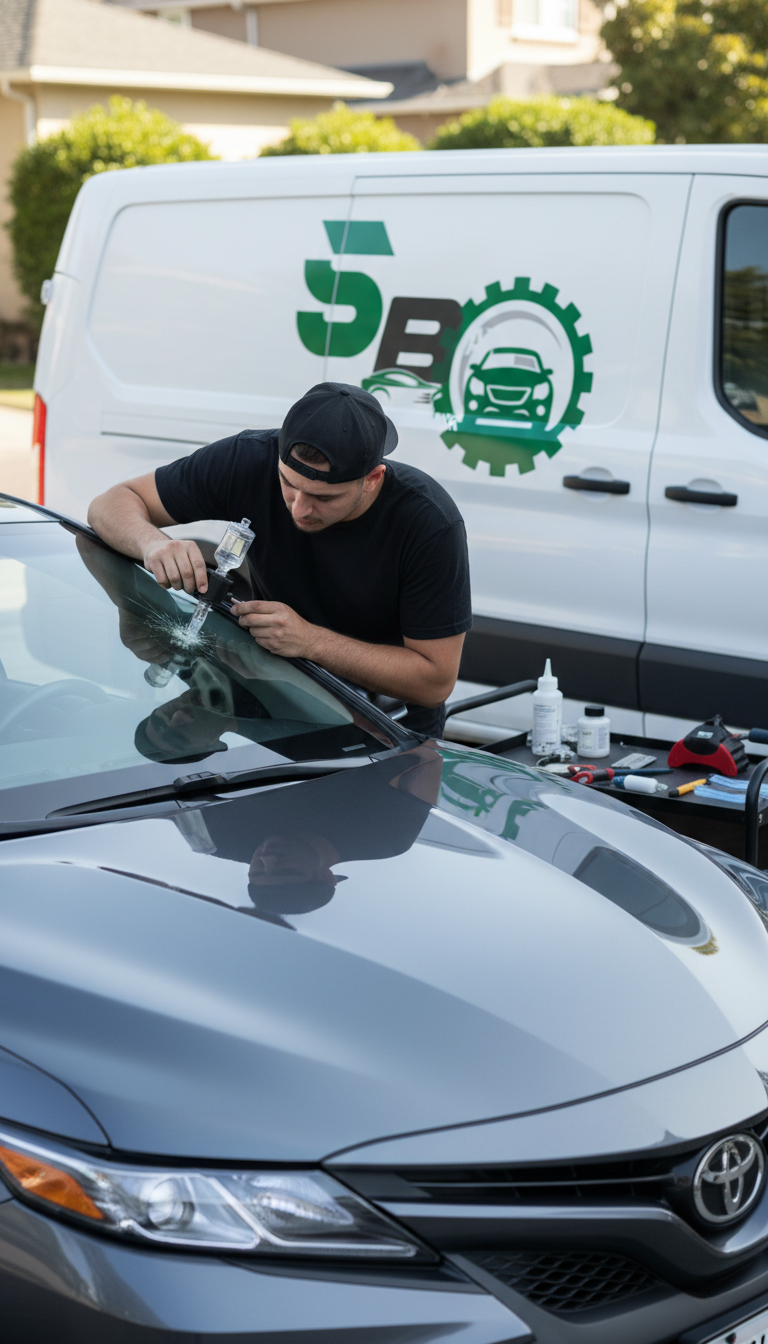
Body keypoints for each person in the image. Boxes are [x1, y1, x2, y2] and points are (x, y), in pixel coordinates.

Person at [88, 382, 472, 737]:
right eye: (288, 484)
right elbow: (109, 505)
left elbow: (435, 680)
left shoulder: (428, 522)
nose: (299, 509)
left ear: (371, 478)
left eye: (324, 498)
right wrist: (153, 544)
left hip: (385, 730)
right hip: (276, 703)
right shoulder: (247, 459)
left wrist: (311, 641)